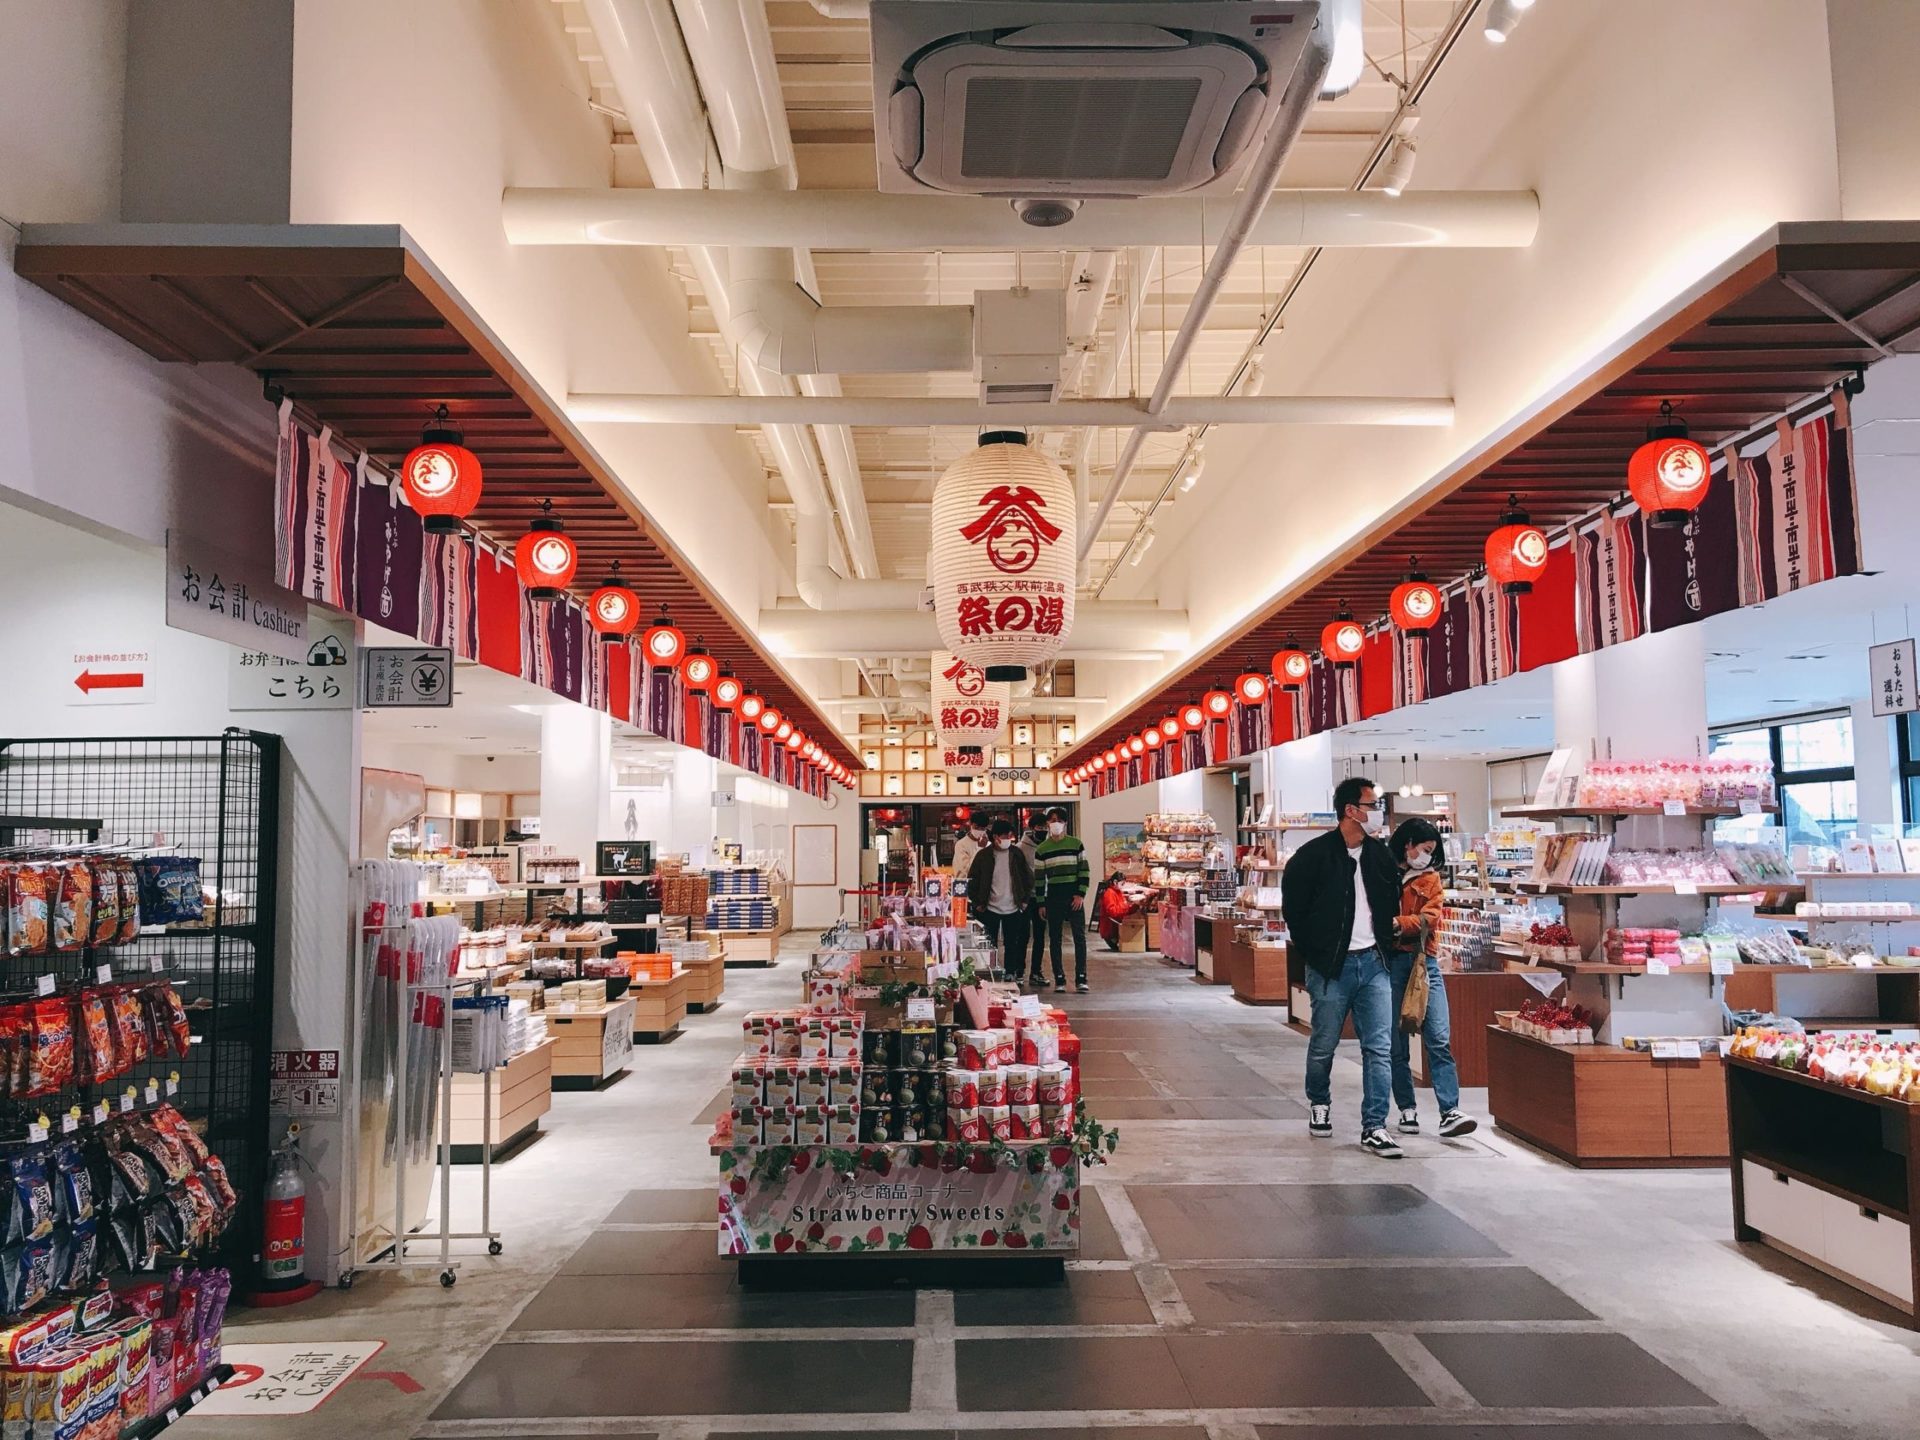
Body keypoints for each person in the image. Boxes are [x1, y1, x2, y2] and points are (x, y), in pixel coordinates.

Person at [1279, 776, 1403, 1158]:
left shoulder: (1380, 855)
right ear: (1351, 810)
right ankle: (1319, 1102)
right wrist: (1316, 953)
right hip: (1332, 967)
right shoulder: (1313, 856)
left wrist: (1387, 944)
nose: (1378, 813)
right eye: (1372, 805)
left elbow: (1391, 901)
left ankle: (1375, 1126)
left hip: (1375, 964)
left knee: (1379, 1048)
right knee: (1324, 1044)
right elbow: (1294, 911)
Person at [1387, 818, 1479, 1139]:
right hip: (1391, 964)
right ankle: (1407, 1109)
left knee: (1438, 1036)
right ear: (1407, 844)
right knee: (1396, 1043)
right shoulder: (1383, 874)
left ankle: (1449, 1110)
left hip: (1424, 963)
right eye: (1424, 849)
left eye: (1431, 851)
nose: (1426, 856)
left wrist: (1398, 923)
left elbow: (1430, 916)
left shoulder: (1431, 880)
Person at [1035, 805, 1091, 992]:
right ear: (1047, 824)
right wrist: (1041, 902)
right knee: (1055, 938)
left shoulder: (1076, 844)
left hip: (1073, 895)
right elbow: (1039, 878)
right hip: (1054, 897)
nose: (1055, 824)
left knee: (1079, 937)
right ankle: (1059, 978)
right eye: (1052, 820)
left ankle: (1081, 978)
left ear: (1065, 823)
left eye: (1059, 820)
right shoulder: (1042, 849)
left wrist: (1080, 894)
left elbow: (1084, 870)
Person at [966, 817, 1032, 975]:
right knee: (989, 943)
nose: (1007, 839)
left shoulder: (1016, 854)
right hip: (989, 907)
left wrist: (1024, 900)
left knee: (1012, 943)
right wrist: (977, 903)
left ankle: (1011, 972)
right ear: (994, 837)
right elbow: (972, 880)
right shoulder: (983, 856)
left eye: (1009, 836)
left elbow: (1027, 878)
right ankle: (990, 972)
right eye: (1004, 836)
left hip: (1013, 906)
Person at [1017, 816, 1049, 985]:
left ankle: (1036, 972)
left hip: (1042, 898)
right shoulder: (1021, 848)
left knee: (1040, 936)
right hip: (1025, 898)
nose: (1043, 829)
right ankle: (1019, 971)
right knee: (1022, 936)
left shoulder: (1048, 846)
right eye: (1039, 826)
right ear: (1031, 827)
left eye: (1045, 826)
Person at [1094, 870, 1135, 950]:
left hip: (1115, 926)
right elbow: (1113, 912)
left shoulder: (1118, 892)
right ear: (1115, 882)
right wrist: (1128, 907)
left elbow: (1123, 908)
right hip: (1111, 929)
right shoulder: (1109, 893)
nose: (1123, 886)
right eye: (1122, 884)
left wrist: (1135, 906)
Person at [950, 816, 986, 890]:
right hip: (965, 888)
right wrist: (979, 848)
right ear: (971, 825)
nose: (979, 830)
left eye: (982, 828)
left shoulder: (988, 844)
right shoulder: (961, 844)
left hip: (983, 888)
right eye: (976, 827)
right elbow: (966, 870)